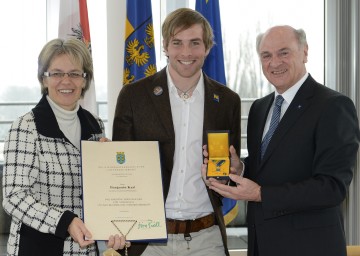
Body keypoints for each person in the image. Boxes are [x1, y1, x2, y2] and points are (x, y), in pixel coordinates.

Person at [202, 25, 360, 256]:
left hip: (311, 248)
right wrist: (241, 168)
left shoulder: (333, 106)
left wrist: (260, 194)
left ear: (305, 52)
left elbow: (332, 187)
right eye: (266, 55)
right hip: (262, 246)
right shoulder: (259, 108)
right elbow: (269, 168)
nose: (274, 62)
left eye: (284, 53)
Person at [112, 7, 241, 256]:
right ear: (165, 46)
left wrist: (231, 173)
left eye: (195, 43)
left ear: (208, 47)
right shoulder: (133, 96)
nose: (186, 52)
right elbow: (121, 171)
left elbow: (226, 171)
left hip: (207, 238)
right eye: (177, 43)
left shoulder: (227, 101)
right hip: (148, 242)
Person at [2, 38, 127, 256]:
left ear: (84, 80)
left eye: (75, 73)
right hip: (39, 248)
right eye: (57, 73)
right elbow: (14, 197)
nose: (66, 81)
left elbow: (100, 193)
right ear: (44, 78)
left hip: (86, 250)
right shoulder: (26, 127)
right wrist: (65, 221)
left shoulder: (95, 124)